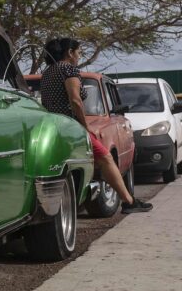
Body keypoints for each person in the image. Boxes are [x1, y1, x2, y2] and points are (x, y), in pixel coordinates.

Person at [39, 38, 152, 213]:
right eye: (78, 52)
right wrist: (85, 126)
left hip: (55, 127)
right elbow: (75, 100)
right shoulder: (68, 69)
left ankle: (127, 200)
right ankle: (128, 202)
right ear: (69, 53)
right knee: (106, 158)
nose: (79, 55)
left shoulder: (48, 73)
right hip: (72, 127)